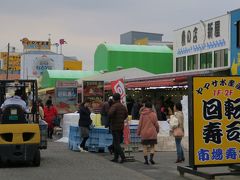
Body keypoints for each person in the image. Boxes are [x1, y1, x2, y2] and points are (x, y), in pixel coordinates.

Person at [108, 93, 128, 163]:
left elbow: (110, 114)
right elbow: (126, 115)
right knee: (116, 141)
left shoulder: (114, 106)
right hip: (121, 126)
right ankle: (116, 157)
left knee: (116, 143)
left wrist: (112, 119)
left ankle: (123, 157)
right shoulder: (123, 106)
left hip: (115, 126)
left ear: (113, 99)